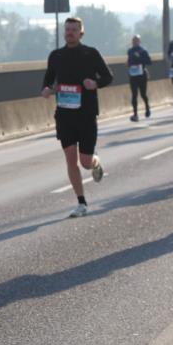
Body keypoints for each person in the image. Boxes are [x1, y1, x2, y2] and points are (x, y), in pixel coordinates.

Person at [40, 17, 113, 217]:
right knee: (70, 158)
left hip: (86, 114)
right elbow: (48, 80)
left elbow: (108, 77)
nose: (70, 32)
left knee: (85, 162)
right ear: (64, 33)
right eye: (67, 29)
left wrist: (95, 84)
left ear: (81, 33)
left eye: (74, 29)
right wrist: (46, 90)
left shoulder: (90, 53)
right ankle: (81, 203)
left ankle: (95, 163)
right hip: (64, 115)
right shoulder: (56, 56)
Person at [126, 34, 152, 121]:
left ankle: (147, 108)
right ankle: (135, 114)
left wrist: (139, 58)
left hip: (142, 75)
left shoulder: (143, 51)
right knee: (134, 95)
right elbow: (129, 60)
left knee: (143, 94)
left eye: (136, 40)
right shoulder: (130, 51)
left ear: (139, 41)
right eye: (133, 41)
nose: (134, 42)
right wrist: (128, 64)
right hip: (133, 75)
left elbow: (149, 61)